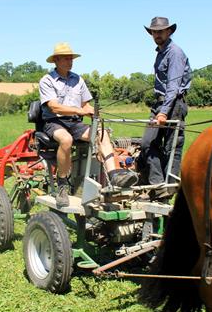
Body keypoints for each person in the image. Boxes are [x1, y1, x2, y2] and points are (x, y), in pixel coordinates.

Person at [39, 42, 138, 206]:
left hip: (75, 124)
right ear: (56, 60)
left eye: (71, 58)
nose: (70, 61)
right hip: (54, 122)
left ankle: (114, 176)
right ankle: (62, 186)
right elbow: (54, 106)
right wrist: (79, 111)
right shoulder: (47, 80)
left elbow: (85, 105)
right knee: (66, 140)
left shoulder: (78, 79)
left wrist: (93, 112)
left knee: (102, 133)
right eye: (65, 58)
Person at [141, 17, 192, 200]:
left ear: (169, 32)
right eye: (154, 31)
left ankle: (167, 190)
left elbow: (173, 85)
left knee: (172, 147)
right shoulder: (161, 52)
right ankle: (157, 185)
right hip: (160, 102)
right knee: (147, 144)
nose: (157, 35)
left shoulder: (175, 53)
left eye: (160, 31)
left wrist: (163, 111)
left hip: (173, 103)